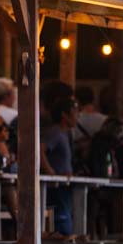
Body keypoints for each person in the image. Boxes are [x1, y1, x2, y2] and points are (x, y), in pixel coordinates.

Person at [42, 97, 76, 235]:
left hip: (65, 185)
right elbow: (40, 150)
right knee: (63, 223)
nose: (77, 116)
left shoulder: (65, 133)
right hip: (57, 187)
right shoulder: (55, 132)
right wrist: (51, 173)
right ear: (64, 115)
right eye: (74, 112)